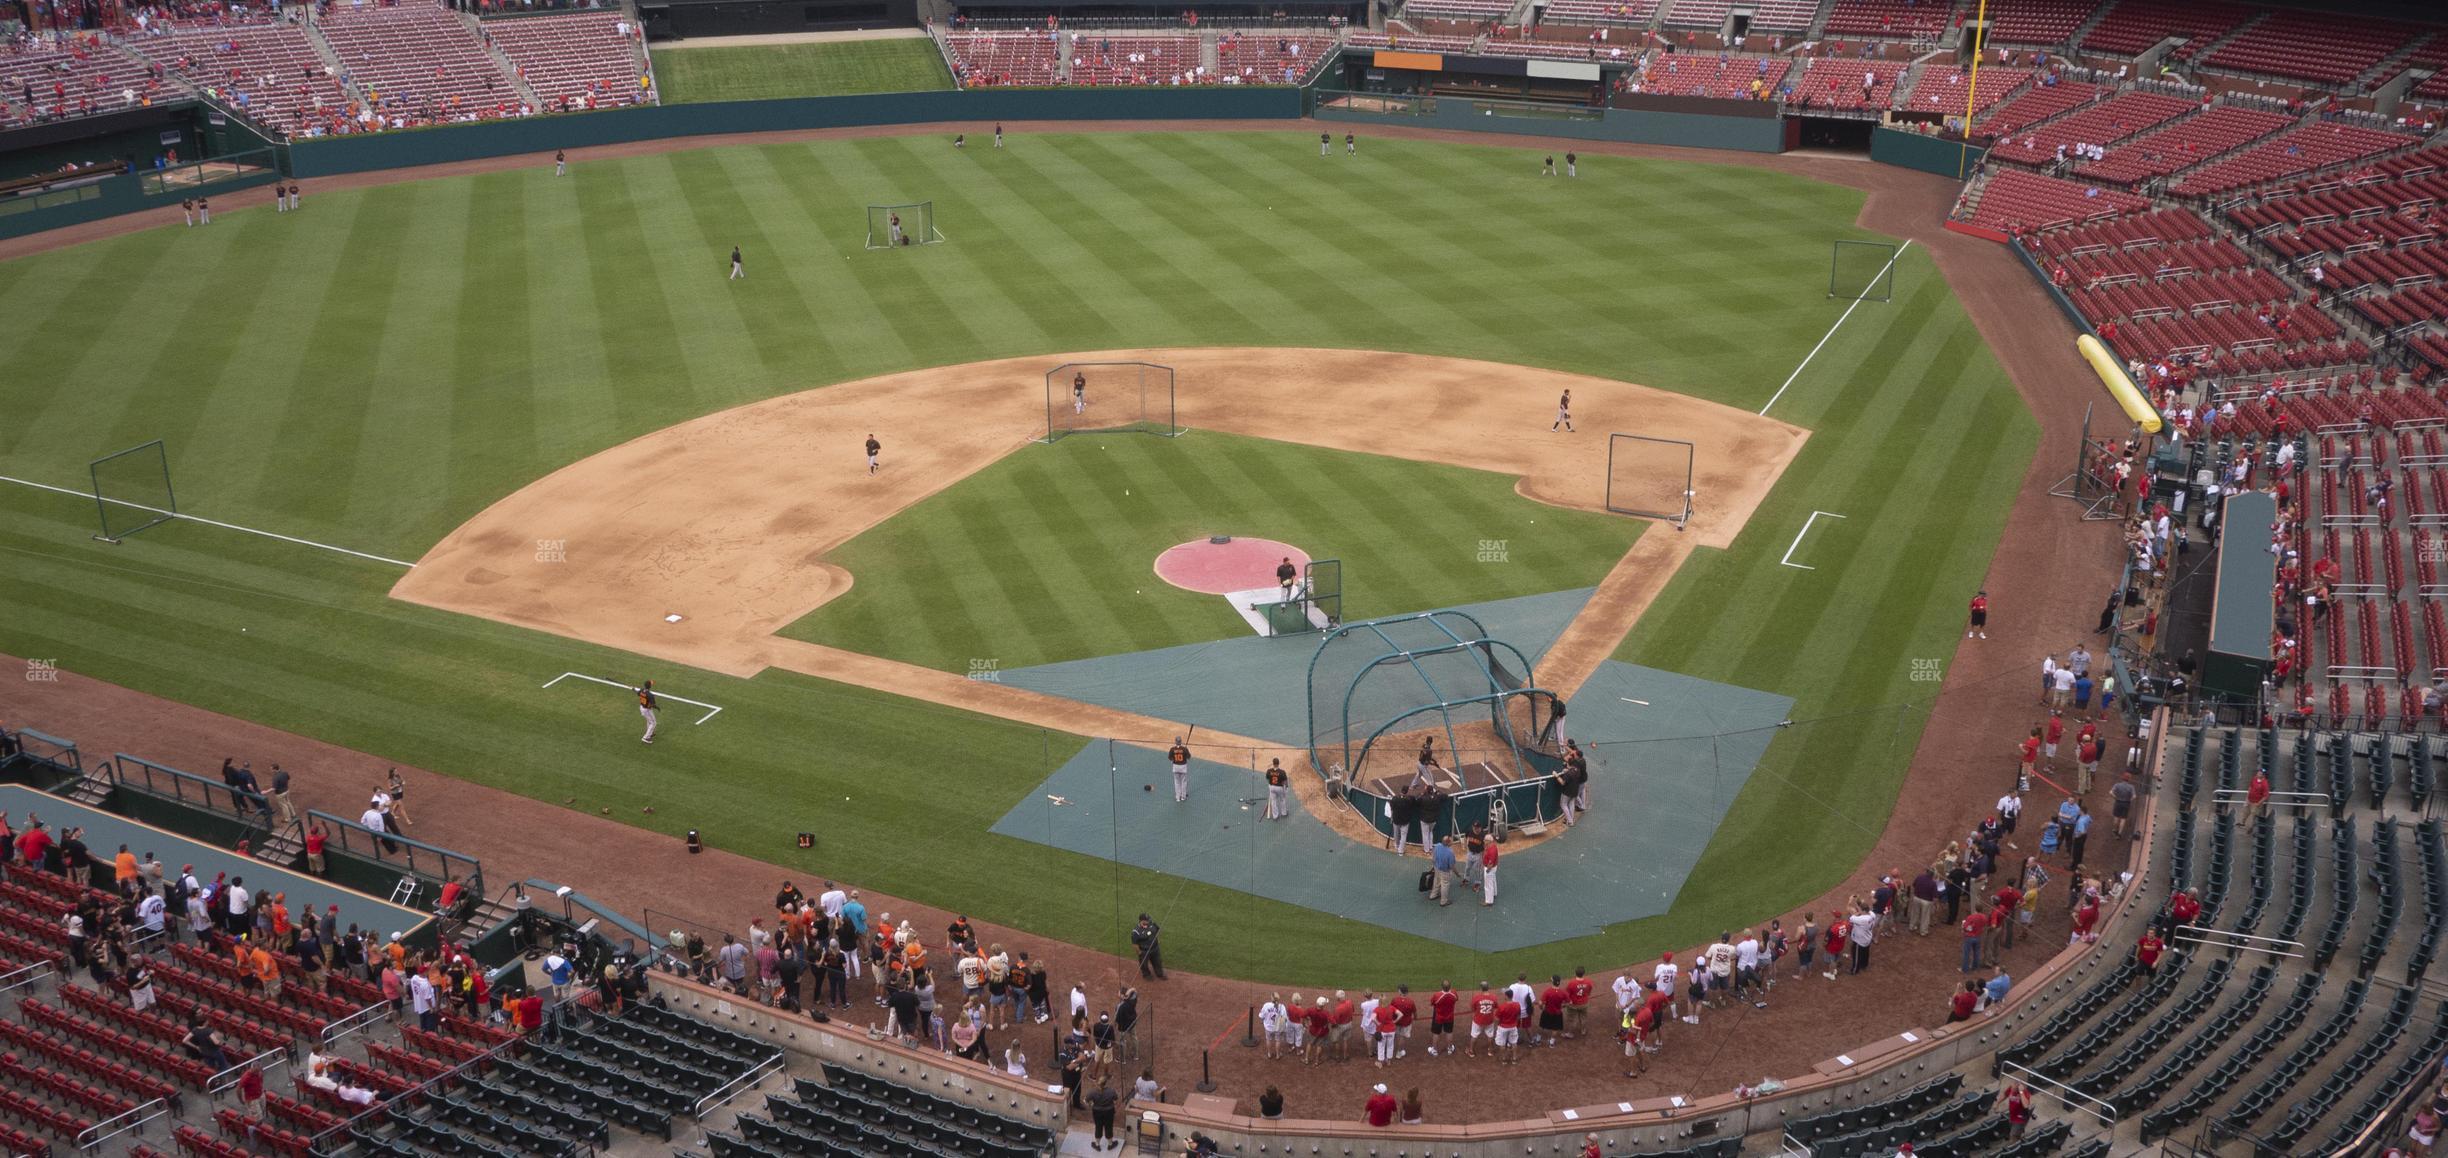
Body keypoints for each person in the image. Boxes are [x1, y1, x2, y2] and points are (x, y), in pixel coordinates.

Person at [1086, 1080, 1119, 1149]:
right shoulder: (1111, 1091)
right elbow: (1116, 1099)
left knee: (1098, 1127)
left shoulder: (1093, 1092)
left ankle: (1097, 1144)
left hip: (1097, 1112)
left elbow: (1086, 1100)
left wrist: (1091, 1105)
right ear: (1106, 1084)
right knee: (1109, 1127)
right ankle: (1110, 1144)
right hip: (1109, 1112)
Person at [1131, 914, 1164, 979]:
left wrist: (1158, 939)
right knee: (1144, 965)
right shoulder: (1136, 931)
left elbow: (1158, 930)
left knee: (1158, 962)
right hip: (1144, 951)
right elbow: (1134, 944)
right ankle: (1146, 975)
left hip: (1155, 949)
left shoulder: (1152, 924)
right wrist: (1140, 952)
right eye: (1147, 920)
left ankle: (1160, 973)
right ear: (1142, 921)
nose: (1149, 921)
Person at [1167, 737, 1191, 802]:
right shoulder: (1184, 749)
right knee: (1183, 782)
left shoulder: (1172, 749)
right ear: (1181, 742)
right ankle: (1183, 797)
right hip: (1183, 767)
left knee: (1177, 782)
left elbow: (1169, 757)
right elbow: (1189, 757)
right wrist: (1185, 752)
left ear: (1175, 742)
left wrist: (1173, 760)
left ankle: (1178, 797)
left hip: (1175, 767)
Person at [636, 680, 658, 744]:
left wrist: (633, 689)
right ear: (650, 686)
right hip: (646, 710)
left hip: (642, 707)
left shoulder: (641, 690)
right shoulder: (650, 695)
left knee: (650, 721)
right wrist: (657, 707)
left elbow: (638, 693)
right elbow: (653, 704)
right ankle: (645, 737)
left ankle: (650, 733)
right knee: (653, 723)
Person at [1481, 839, 1500, 906]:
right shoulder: (1492, 846)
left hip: (1490, 869)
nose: (1484, 841)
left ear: (1489, 841)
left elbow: (1490, 863)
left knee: (1488, 885)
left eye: (1485, 840)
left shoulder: (1491, 850)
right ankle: (1494, 893)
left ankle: (1489, 901)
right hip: (1493, 868)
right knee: (1493, 881)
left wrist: (1487, 871)